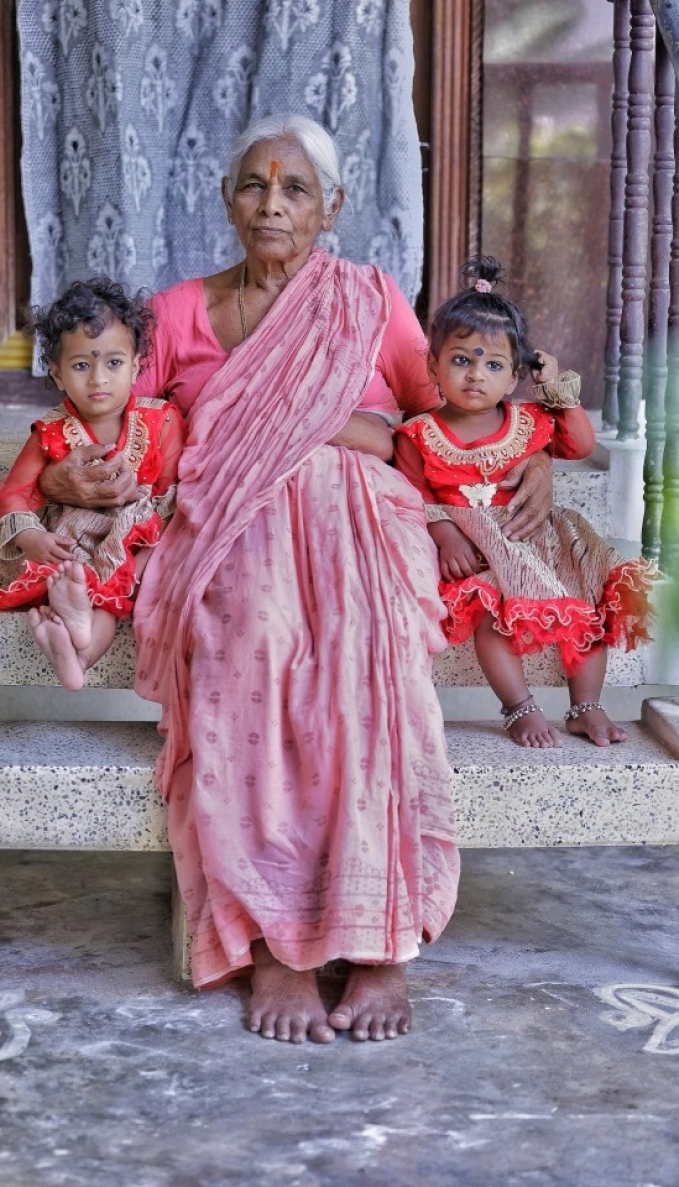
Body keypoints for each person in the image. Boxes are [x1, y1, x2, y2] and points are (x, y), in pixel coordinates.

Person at [39, 115, 553, 1044]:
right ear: (228, 198)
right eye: (253, 185)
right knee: (254, 643)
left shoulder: (369, 297)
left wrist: (541, 461)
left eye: (294, 188)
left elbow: (435, 418)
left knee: (374, 653)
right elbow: (100, 411)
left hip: (363, 517)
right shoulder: (179, 312)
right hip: (234, 521)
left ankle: (381, 941)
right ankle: (276, 948)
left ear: (333, 206)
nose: (270, 203)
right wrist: (61, 477)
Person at [394, 256, 657, 749]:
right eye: (460, 359)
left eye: (493, 364)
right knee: (496, 620)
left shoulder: (528, 418)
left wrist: (554, 388)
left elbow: (578, 445)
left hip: (542, 537)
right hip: (480, 548)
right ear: (433, 364)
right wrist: (444, 531)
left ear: (515, 375)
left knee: (589, 610)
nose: (476, 374)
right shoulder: (420, 434)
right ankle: (520, 707)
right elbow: (414, 492)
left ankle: (586, 705)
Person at [0, 277, 185, 691]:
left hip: (140, 544)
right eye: (82, 365)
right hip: (75, 544)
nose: (98, 379)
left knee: (112, 579)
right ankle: (79, 638)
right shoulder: (50, 432)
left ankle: (78, 648)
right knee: (80, 576)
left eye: (114, 363)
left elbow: (175, 494)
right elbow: (13, 494)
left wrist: (146, 557)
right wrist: (32, 539)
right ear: (57, 373)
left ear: (137, 365)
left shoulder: (163, 420)